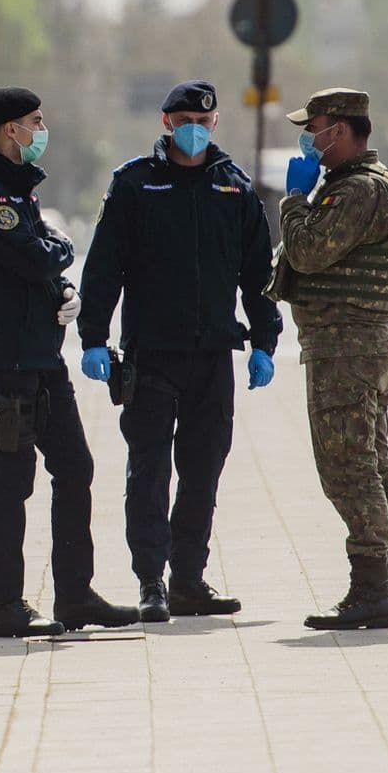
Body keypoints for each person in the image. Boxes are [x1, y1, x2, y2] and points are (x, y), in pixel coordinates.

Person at [77, 80, 281, 624]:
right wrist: (94, 337)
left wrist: (264, 342)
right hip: (152, 355)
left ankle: (188, 579)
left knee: (203, 470)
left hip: (212, 356)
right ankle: (151, 581)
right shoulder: (134, 185)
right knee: (148, 470)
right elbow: (104, 269)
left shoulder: (235, 191)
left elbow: (258, 276)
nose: (196, 128)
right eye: (185, 118)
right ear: (166, 123)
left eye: (205, 120)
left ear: (216, 126)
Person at [0, 86, 138, 639]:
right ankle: (4, 607)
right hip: (9, 360)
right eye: (36, 121)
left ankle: (76, 596)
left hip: (42, 356)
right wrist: (54, 261)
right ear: (10, 129)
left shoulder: (17, 190)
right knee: (14, 479)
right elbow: (37, 254)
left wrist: (61, 290)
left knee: (75, 467)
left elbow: (42, 262)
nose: (41, 128)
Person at [270, 88, 388, 631]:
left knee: (349, 471)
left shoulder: (356, 190)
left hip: (346, 348)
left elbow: (308, 252)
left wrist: (291, 201)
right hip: (361, 345)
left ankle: (372, 592)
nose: (309, 138)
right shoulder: (375, 185)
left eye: (315, 127)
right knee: (375, 468)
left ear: (343, 129)